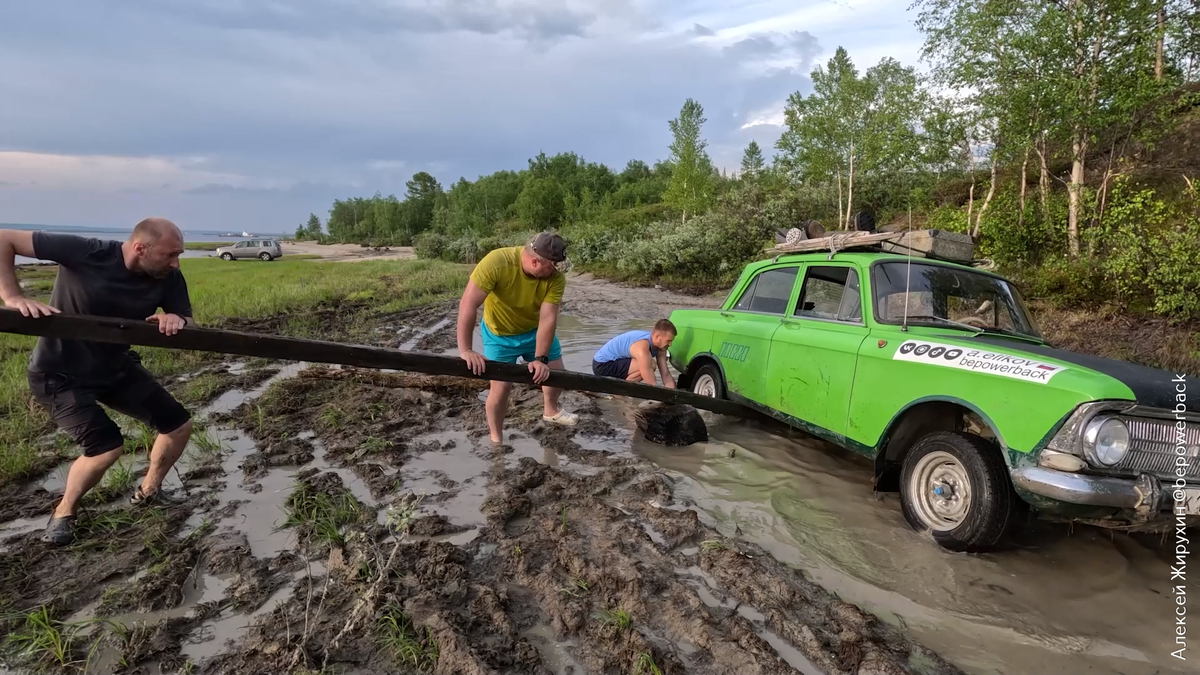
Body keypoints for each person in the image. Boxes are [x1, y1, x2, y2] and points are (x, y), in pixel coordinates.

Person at [0, 218, 196, 545]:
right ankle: (63, 511)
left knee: (177, 425)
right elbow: (4, 239)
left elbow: (187, 319)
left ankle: (149, 491)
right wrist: (12, 296)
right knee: (105, 448)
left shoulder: (169, 276)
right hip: (60, 374)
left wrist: (175, 318)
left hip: (114, 367)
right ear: (139, 248)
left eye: (179, 254)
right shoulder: (86, 252)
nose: (176, 262)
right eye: (169, 255)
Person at [457, 232, 578, 443]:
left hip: (534, 330)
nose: (555, 272)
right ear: (535, 261)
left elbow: (548, 319)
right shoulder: (497, 263)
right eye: (553, 266)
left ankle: (550, 410)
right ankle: (496, 437)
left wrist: (540, 359)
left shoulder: (556, 279)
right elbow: (468, 303)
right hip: (500, 334)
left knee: (557, 373)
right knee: (501, 388)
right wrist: (466, 349)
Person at [592, 320, 677, 388]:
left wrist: (673, 395)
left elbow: (665, 374)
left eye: (671, 341)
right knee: (650, 365)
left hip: (617, 362)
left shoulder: (661, 348)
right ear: (657, 337)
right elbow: (650, 382)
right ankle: (622, 390)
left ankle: (621, 389)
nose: (670, 344)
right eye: (668, 341)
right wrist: (658, 397)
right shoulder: (642, 345)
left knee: (649, 364)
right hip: (603, 365)